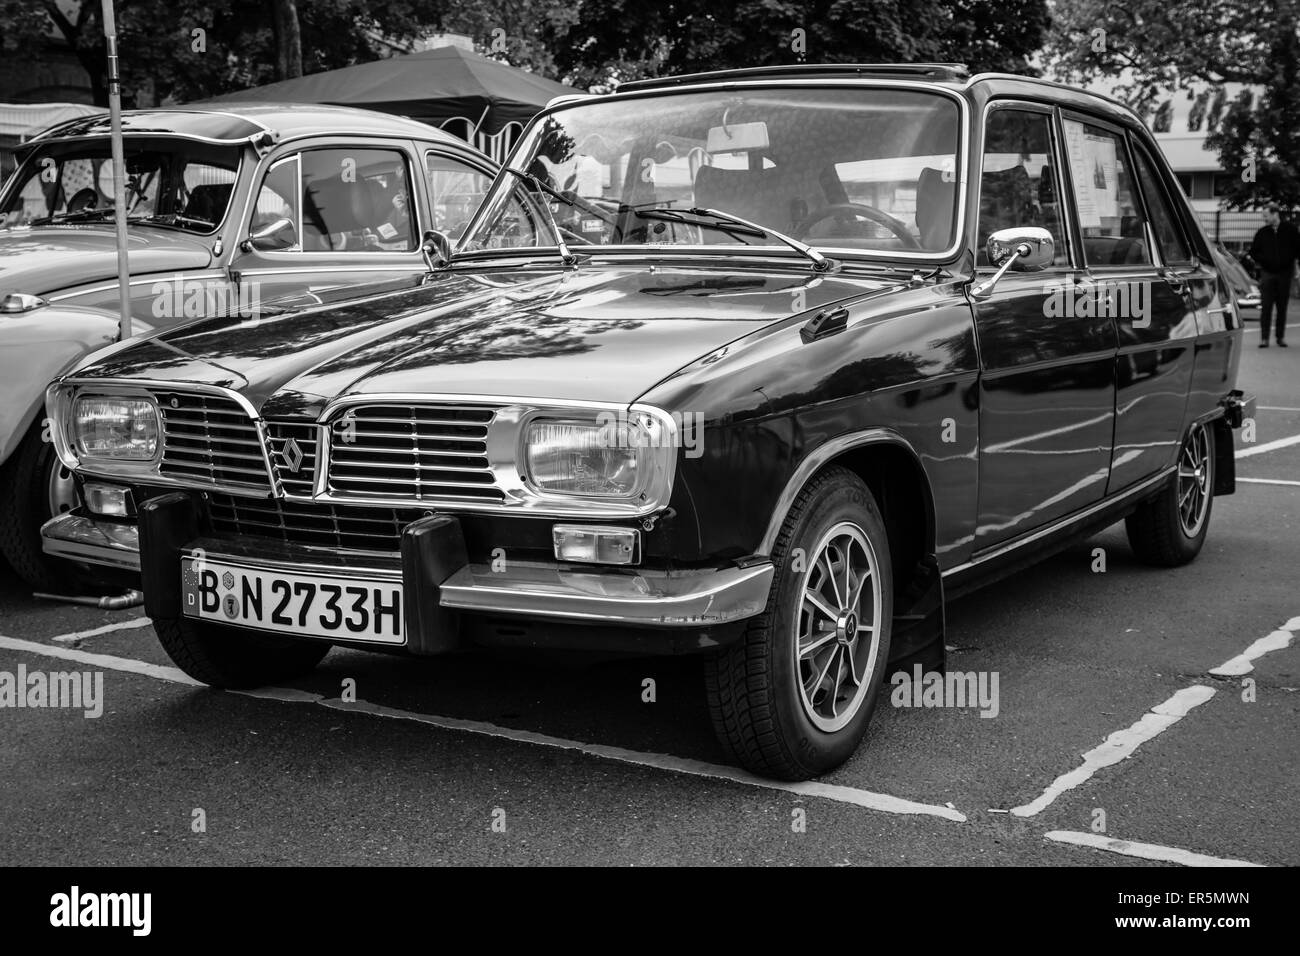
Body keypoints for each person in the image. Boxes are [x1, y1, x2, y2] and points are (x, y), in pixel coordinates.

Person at [1249, 204, 1298, 347]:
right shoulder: (1262, 233)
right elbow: (1253, 251)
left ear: (1275, 214)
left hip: (1284, 274)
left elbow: (1297, 247)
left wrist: (1289, 261)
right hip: (1268, 273)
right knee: (1266, 307)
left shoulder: (1290, 230)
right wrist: (1264, 261)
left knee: (1282, 307)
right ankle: (1264, 339)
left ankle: (1280, 337)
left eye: (1266, 215)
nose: (1264, 219)